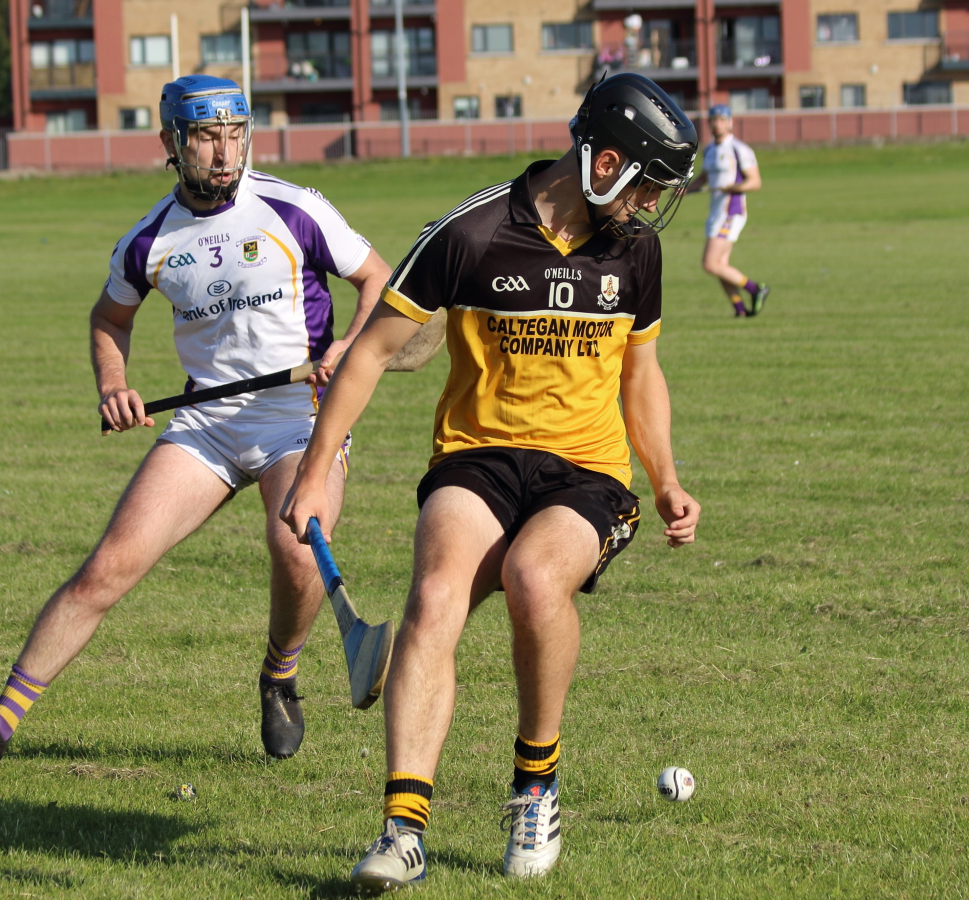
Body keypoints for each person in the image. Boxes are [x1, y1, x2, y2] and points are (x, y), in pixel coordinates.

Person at [280, 72, 702, 890]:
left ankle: (535, 786)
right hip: (477, 458)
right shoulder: (470, 235)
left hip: (587, 472)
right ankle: (403, 831)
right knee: (435, 598)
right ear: (604, 162)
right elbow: (369, 352)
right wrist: (312, 468)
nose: (650, 204)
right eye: (646, 183)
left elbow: (641, 374)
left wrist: (666, 479)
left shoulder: (634, 252)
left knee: (535, 579)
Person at [0, 75, 390, 766]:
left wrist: (349, 348)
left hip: (299, 414)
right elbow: (110, 318)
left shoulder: (294, 209)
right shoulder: (149, 240)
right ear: (172, 144)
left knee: (295, 551)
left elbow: (379, 281)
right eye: (207, 137)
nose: (225, 152)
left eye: (235, 134)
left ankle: (279, 675)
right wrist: (114, 383)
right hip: (206, 420)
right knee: (107, 567)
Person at [686, 104, 770, 316]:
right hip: (715, 212)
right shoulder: (710, 150)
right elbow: (704, 178)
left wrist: (732, 187)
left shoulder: (739, 149)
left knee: (710, 263)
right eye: (714, 120)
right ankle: (739, 309)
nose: (718, 124)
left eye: (722, 120)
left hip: (731, 211)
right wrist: (686, 190)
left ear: (730, 122)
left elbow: (755, 182)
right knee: (720, 264)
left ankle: (755, 288)